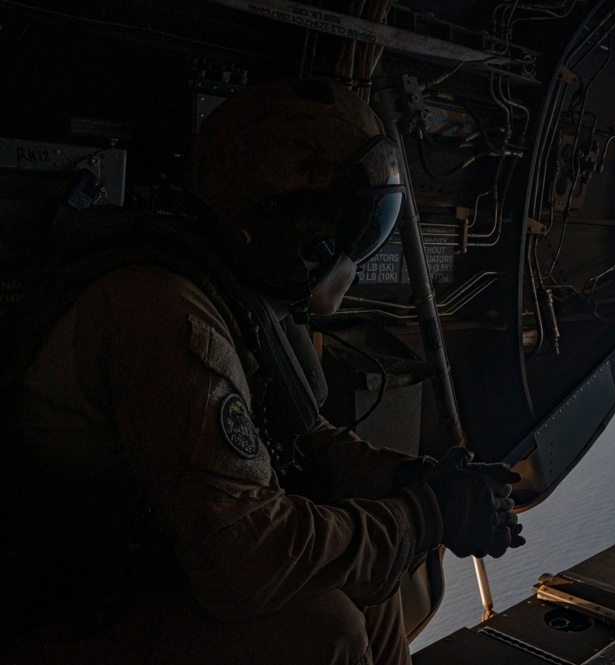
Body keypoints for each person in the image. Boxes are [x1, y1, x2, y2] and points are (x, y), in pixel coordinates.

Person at [1, 78, 524, 664]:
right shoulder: (166, 318)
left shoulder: (235, 291)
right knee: (324, 632)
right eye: (342, 233)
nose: (348, 260)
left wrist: (408, 482)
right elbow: (246, 562)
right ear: (291, 229)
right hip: (61, 606)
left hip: (142, 569)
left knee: (372, 594)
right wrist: (427, 516)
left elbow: (300, 437)